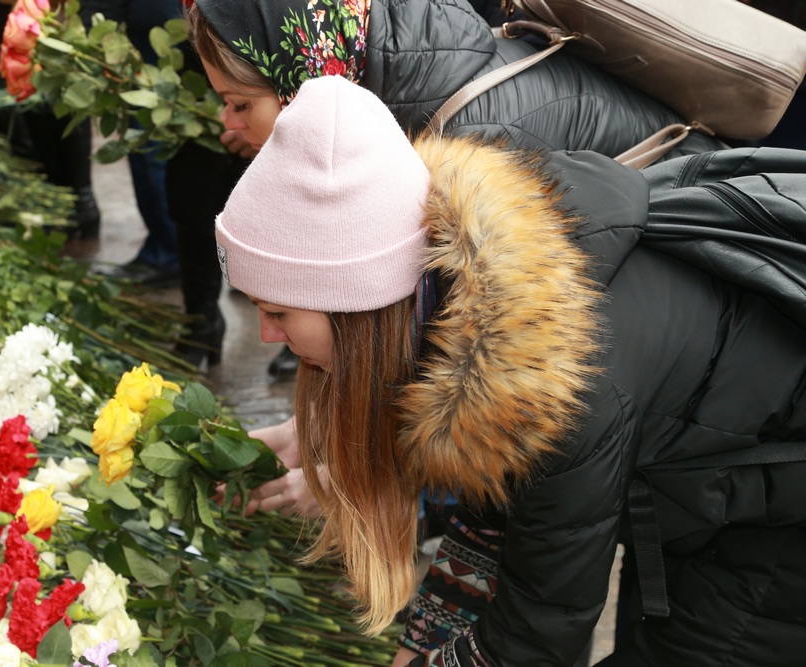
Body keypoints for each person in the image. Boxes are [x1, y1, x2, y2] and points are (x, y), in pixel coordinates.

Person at [215, 75, 806, 667]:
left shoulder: (558, 384)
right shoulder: (457, 309)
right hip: (723, 486)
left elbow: (536, 639)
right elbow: (493, 519)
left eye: (277, 311)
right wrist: (428, 640)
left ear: (354, 301)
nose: (267, 335)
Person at [183, 0, 725, 378]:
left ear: (301, 72)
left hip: (704, 318)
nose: (227, 124)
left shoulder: (465, 145)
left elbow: (502, 370)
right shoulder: (397, 84)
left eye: (240, 103)